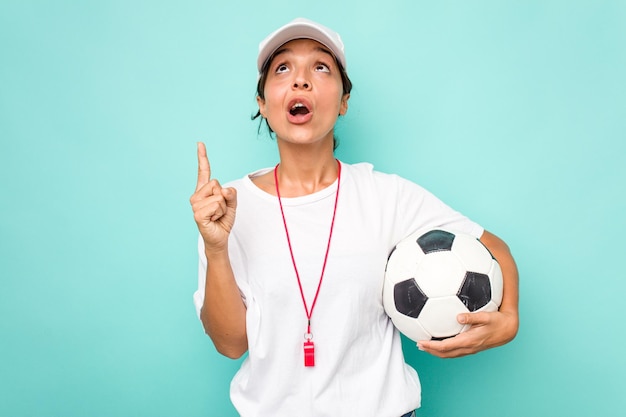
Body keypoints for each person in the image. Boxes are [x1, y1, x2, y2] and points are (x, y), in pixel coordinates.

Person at [190, 18, 518, 417]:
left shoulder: (386, 196)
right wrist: (215, 246)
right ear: (262, 102)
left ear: (344, 101)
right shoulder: (226, 206)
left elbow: (493, 247)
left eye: (321, 67)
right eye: (283, 68)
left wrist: (509, 319)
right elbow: (230, 344)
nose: (301, 81)